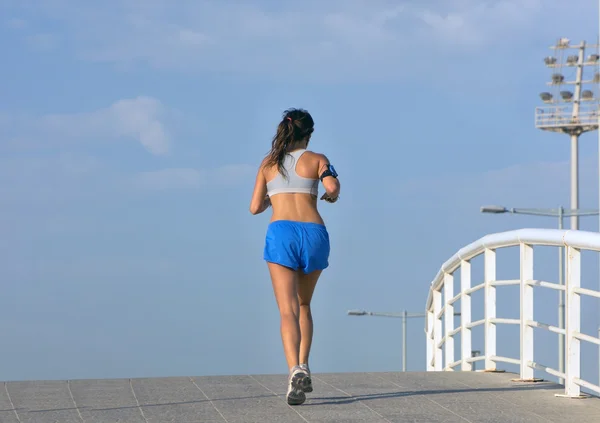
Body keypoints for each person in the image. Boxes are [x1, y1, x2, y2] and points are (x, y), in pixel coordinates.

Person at [249, 108, 340, 405]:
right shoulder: (318, 159)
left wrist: (272, 196)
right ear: (309, 134)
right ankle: (305, 364)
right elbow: (332, 186)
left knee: (287, 309)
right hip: (314, 232)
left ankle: (294, 370)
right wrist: (330, 196)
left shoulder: (268, 164)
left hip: (282, 233)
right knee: (304, 304)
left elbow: (254, 208)